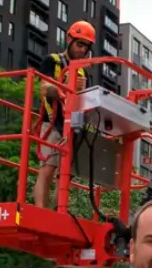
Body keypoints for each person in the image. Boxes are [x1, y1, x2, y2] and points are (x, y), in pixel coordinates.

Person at [34, 20, 94, 209]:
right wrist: (67, 89)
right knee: (48, 169)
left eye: (86, 47)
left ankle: (58, 212)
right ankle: (41, 211)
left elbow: (85, 103)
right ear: (69, 40)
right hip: (51, 123)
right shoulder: (52, 61)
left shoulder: (84, 72)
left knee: (66, 173)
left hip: (71, 126)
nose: (82, 50)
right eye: (80, 44)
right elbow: (44, 88)